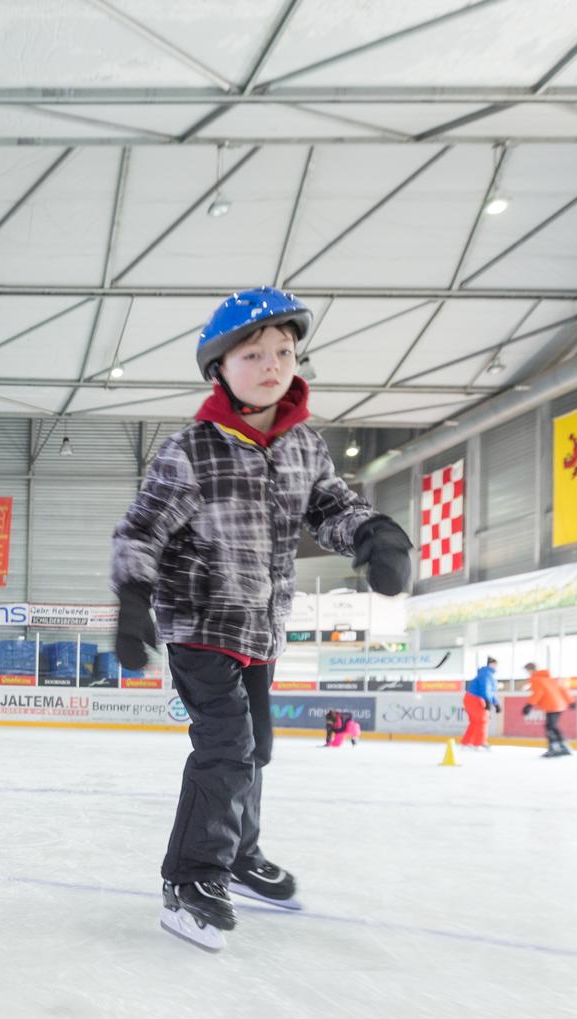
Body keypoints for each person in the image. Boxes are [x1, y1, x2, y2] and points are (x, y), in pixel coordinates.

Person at [111, 287, 414, 952]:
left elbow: (332, 508)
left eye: (284, 350)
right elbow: (141, 530)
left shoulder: (304, 447)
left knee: (257, 750)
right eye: (254, 353)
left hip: (262, 629)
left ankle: (240, 853)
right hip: (198, 622)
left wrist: (375, 535)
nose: (273, 363)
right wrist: (134, 601)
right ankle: (191, 880)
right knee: (225, 746)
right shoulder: (189, 450)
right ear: (219, 366)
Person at [523, 662, 576, 758]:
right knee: (552, 726)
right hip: (559, 704)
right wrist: (571, 701)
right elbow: (563, 689)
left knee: (550, 726)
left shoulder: (536, 679)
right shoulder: (549, 679)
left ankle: (554, 747)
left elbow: (538, 693)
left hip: (551, 705)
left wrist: (529, 705)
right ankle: (563, 746)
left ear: (530, 670)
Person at [462, 657, 500, 749]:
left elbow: (491, 691)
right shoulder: (486, 674)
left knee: (475, 721)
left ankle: (467, 741)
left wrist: (496, 703)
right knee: (482, 720)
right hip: (476, 698)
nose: (496, 667)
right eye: (495, 665)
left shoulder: (487, 674)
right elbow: (485, 688)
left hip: (473, 698)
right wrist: (487, 701)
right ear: (491, 664)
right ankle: (479, 742)